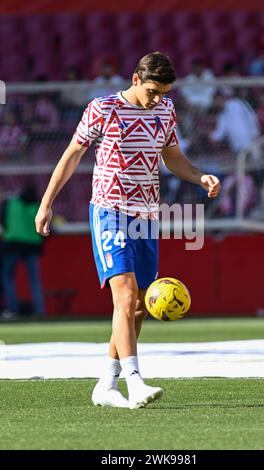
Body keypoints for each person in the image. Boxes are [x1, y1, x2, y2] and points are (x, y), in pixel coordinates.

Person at [35, 52, 220, 409]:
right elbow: (72, 154)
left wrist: (200, 176)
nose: (157, 99)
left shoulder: (165, 111)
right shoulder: (103, 109)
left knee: (137, 306)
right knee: (125, 293)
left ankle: (107, 383)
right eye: (153, 91)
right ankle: (135, 381)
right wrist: (46, 203)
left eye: (163, 93)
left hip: (147, 215)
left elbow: (172, 156)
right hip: (109, 210)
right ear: (136, 79)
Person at [1, 183, 45, 319]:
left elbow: (2, 221)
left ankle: (13, 309)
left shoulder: (11, 203)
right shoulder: (38, 206)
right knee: (34, 280)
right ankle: (39, 311)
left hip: (12, 244)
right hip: (32, 246)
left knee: (7, 277)